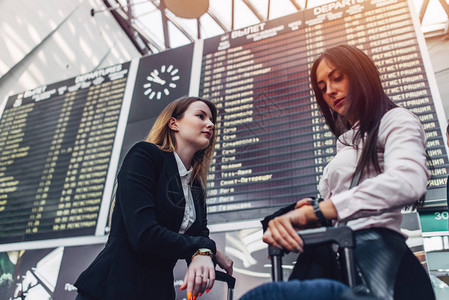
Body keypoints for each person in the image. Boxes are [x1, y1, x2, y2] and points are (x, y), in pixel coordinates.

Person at [258, 44, 435, 299]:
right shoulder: (345, 143)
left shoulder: (395, 119)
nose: (330, 91)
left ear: (361, 73)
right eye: (322, 87)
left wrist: (319, 211)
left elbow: (408, 180)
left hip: (378, 262)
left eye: (337, 77)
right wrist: (306, 212)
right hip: (338, 259)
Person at [74, 96, 233, 300]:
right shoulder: (145, 155)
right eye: (201, 116)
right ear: (173, 123)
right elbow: (145, 235)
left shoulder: (196, 186)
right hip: (111, 290)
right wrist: (205, 247)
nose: (210, 124)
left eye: (212, 120)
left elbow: (200, 235)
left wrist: (203, 252)